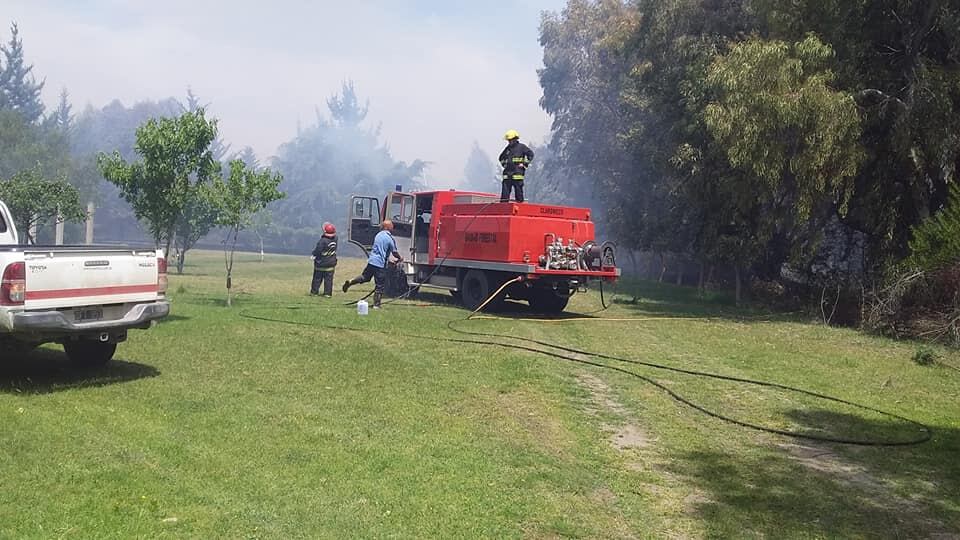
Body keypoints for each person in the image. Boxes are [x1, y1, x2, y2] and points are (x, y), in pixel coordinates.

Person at [342, 220, 402, 308]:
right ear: (387, 227)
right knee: (380, 285)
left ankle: (351, 281)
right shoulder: (389, 238)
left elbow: (380, 251)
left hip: (371, 261)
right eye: (392, 226)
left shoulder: (378, 235)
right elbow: (394, 252)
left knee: (365, 277)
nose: (393, 227)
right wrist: (400, 258)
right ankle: (376, 305)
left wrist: (389, 261)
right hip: (380, 265)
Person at [498, 129, 534, 203]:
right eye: (508, 140)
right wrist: (504, 165)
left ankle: (520, 207)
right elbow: (501, 158)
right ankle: (503, 209)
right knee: (504, 195)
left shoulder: (522, 147)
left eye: (510, 140)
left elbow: (531, 154)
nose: (509, 142)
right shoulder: (507, 149)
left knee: (519, 194)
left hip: (517, 174)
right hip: (507, 175)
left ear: (515, 139)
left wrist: (524, 164)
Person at [310, 222, 338, 297]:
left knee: (317, 278)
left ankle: (314, 292)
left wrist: (313, 254)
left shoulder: (322, 241)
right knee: (328, 280)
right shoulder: (335, 239)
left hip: (321, 263)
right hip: (331, 263)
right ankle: (327, 293)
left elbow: (318, 250)